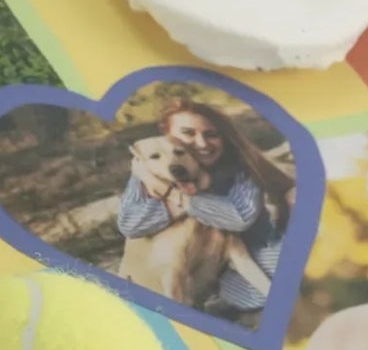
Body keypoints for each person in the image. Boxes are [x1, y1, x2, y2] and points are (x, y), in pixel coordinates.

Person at [115, 97, 294, 317]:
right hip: (211, 269)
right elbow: (130, 225)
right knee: (240, 293)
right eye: (188, 133)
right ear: (167, 135)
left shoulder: (239, 170)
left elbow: (238, 218)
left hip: (259, 248)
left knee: (284, 270)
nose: (201, 143)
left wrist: (171, 193)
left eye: (211, 134)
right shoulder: (149, 170)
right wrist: (154, 183)